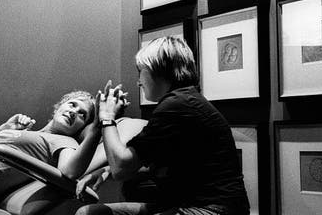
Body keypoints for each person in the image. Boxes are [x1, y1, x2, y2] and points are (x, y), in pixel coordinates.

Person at [75, 36, 250, 215]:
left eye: (140, 71)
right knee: (89, 213)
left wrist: (106, 117)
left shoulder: (176, 105)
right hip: (185, 205)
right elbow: (142, 163)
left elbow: (121, 167)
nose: (138, 82)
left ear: (157, 69)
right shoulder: (184, 101)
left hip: (211, 210)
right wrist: (105, 171)